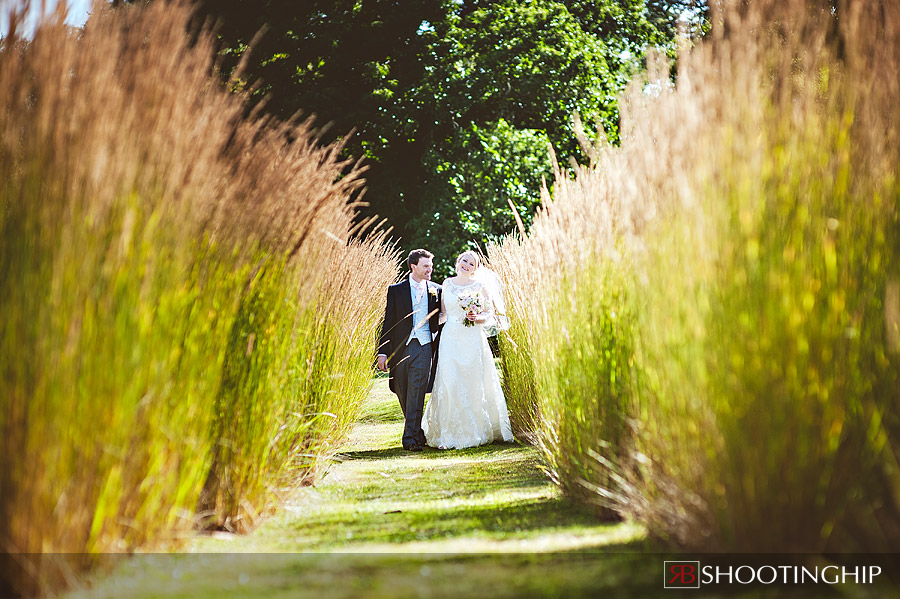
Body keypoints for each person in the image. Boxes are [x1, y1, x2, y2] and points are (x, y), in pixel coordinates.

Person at [422, 250, 514, 449]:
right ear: (458, 261)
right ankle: (445, 434)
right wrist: (426, 328)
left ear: (475, 269)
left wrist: (477, 318)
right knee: (449, 380)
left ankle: (475, 430)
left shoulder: (479, 286)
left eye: (471, 264)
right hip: (450, 338)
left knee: (473, 382)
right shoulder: (447, 283)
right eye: (465, 260)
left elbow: (489, 314)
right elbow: (444, 314)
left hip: (472, 338)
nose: (467, 265)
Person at [377, 249, 443, 451]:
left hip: (423, 346)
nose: (429, 270)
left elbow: (443, 317)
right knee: (401, 389)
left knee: (417, 391)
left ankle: (409, 440)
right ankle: (418, 433)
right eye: (425, 266)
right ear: (413, 266)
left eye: (431, 266)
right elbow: (388, 322)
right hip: (400, 347)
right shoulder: (396, 290)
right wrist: (382, 351)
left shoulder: (437, 290)